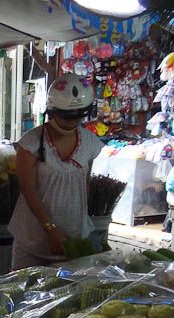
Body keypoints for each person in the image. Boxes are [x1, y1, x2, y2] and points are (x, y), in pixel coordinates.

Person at [8, 73, 104, 269]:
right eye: (67, 116)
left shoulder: (90, 142)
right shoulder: (31, 143)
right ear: (52, 112)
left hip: (74, 238)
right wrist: (50, 228)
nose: (73, 121)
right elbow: (28, 190)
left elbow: (83, 184)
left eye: (78, 116)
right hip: (32, 238)